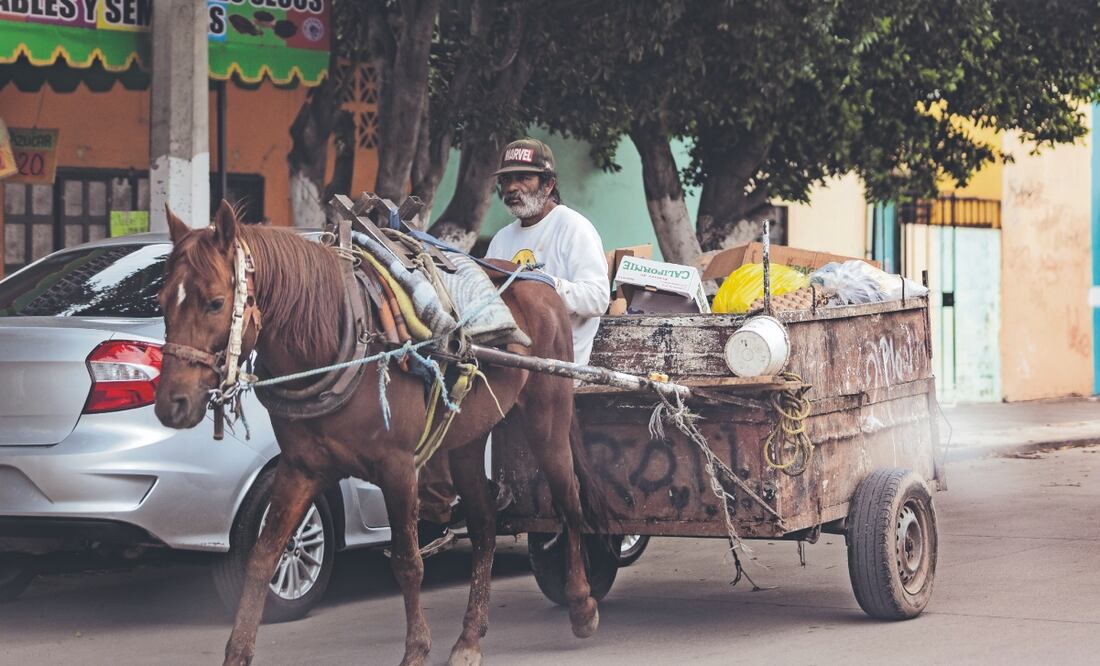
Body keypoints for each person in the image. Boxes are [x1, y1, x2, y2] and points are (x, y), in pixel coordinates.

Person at [415, 138, 610, 554]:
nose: (512, 188)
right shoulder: (501, 239)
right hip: (506, 362)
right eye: (506, 181)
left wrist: (545, 288)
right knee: (440, 401)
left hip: (558, 365)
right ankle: (442, 509)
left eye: (523, 178)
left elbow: (597, 297)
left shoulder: (573, 228)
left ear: (548, 182)